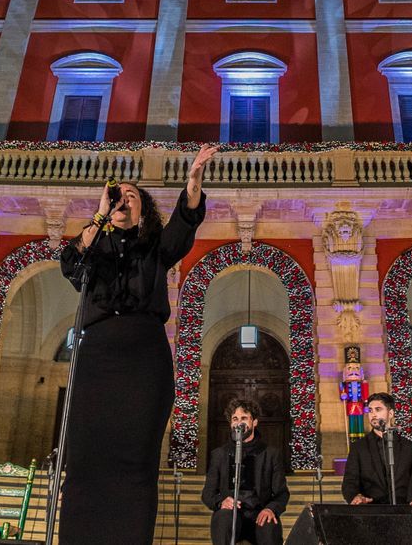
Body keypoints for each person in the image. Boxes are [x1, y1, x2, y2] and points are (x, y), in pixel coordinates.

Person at [57, 144, 218, 545]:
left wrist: (193, 180)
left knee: (136, 458)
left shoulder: (155, 247)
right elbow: (70, 266)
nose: (123, 199)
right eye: (118, 195)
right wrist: (99, 215)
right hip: (96, 357)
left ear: (143, 210)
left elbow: (185, 224)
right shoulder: (96, 246)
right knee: (86, 457)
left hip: (144, 359)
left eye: (131, 196)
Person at [201, 399, 290, 545]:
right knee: (223, 518)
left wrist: (270, 509)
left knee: (268, 523)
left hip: (259, 512)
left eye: (244, 418)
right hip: (231, 515)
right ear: (230, 423)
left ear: (254, 422)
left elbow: (282, 494)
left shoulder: (271, 454)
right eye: (235, 419)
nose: (239, 423)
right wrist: (221, 502)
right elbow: (207, 494)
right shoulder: (219, 454)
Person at [341, 392, 412, 505]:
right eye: (370, 410)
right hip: (373, 510)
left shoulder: (409, 447)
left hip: (404, 510)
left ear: (391, 413)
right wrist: (355, 496)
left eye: (378, 409)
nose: (373, 414)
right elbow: (350, 481)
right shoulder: (358, 447)